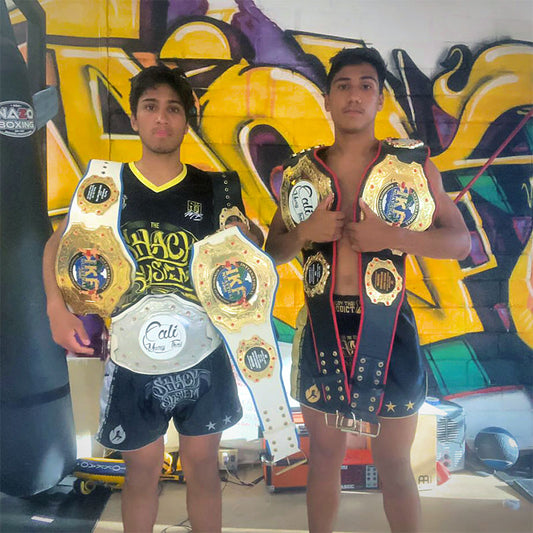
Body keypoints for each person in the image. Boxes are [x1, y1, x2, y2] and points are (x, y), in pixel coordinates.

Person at [43, 64, 263, 533]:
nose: (161, 118)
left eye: (173, 109)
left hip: (203, 354)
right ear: (135, 117)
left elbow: (247, 262)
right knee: (140, 473)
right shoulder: (105, 187)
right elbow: (55, 246)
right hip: (129, 359)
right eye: (150, 107)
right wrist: (55, 309)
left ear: (187, 120)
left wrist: (252, 240)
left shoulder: (215, 189)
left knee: (203, 468)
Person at [265, 47, 471, 533]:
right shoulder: (300, 174)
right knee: (324, 460)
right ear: (328, 100)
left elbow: (459, 242)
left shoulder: (415, 168)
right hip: (321, 327)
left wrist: (394, 237)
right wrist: (303, 233)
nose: (354, 95)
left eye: (365, 86)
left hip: (390, 326)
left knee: (395, 464)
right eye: (343, 86)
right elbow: (271, 252)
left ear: (380, 100)